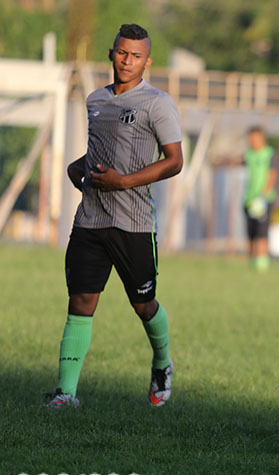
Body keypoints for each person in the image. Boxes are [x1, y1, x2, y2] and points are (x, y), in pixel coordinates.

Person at [47, 23, 183, 408]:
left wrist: (124, 183)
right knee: (81, 302)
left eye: (136, 55)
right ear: (111, 53)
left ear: (147, 61)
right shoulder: (95, 100)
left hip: (134, 225)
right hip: (90, 220)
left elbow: (174, 162)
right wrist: (80, 168)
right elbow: (102, 150)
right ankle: (66, 394)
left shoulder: (156, 103)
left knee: (144, 305)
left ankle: (162, 363)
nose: (127, 60)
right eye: (122, 53)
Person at [243, 127, 276, 271]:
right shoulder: (248, 155)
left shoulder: (269, 154)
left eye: (255, 137)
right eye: (250, 138)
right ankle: (251, 263)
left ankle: (262, 265)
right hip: (248, 199)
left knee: (262, 233)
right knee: (251, 233)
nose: (252, 141)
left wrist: (263, 197)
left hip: (264, 200)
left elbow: (272, 175)